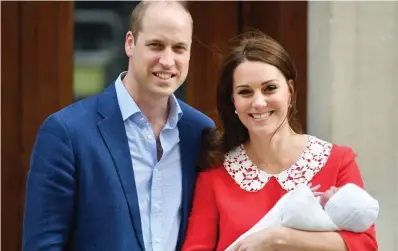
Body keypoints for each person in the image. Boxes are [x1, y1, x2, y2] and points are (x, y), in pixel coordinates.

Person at [22, 1, 214, 251]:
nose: (167, 61)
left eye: (179, 48)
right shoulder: (67, 132)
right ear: (130, 43)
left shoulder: (199, 131)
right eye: (156, 45)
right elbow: (43, 245)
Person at [181, 31, 378, 251]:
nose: (258, 102)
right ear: (233, 102)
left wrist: (279, 239)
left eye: (270, 88)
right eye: (245, 92)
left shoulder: (338, 161)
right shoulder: (215, 174)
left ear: (290, 91)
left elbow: (365, 245)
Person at [225, 183, 380, 251]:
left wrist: (303, 192)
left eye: (336, 191)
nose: (333, 186)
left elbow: (292, 212)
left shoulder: (316, 219)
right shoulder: (325, 222)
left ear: (337, 206)